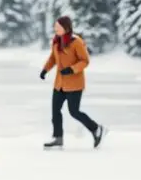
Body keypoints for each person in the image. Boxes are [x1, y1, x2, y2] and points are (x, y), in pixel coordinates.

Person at [39, 16, 107, 149]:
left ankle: (96, 129)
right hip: (59, 84)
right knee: (55, 111)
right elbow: (53, 58)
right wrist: (45, 70)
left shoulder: (76, 42)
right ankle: (58, 138)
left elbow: (85, 61)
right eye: (55, 26)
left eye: (58, 27)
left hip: (74, 84)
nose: (55, 28)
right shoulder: (56, 42)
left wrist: (72, 69)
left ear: (66, 28)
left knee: (74, 112)